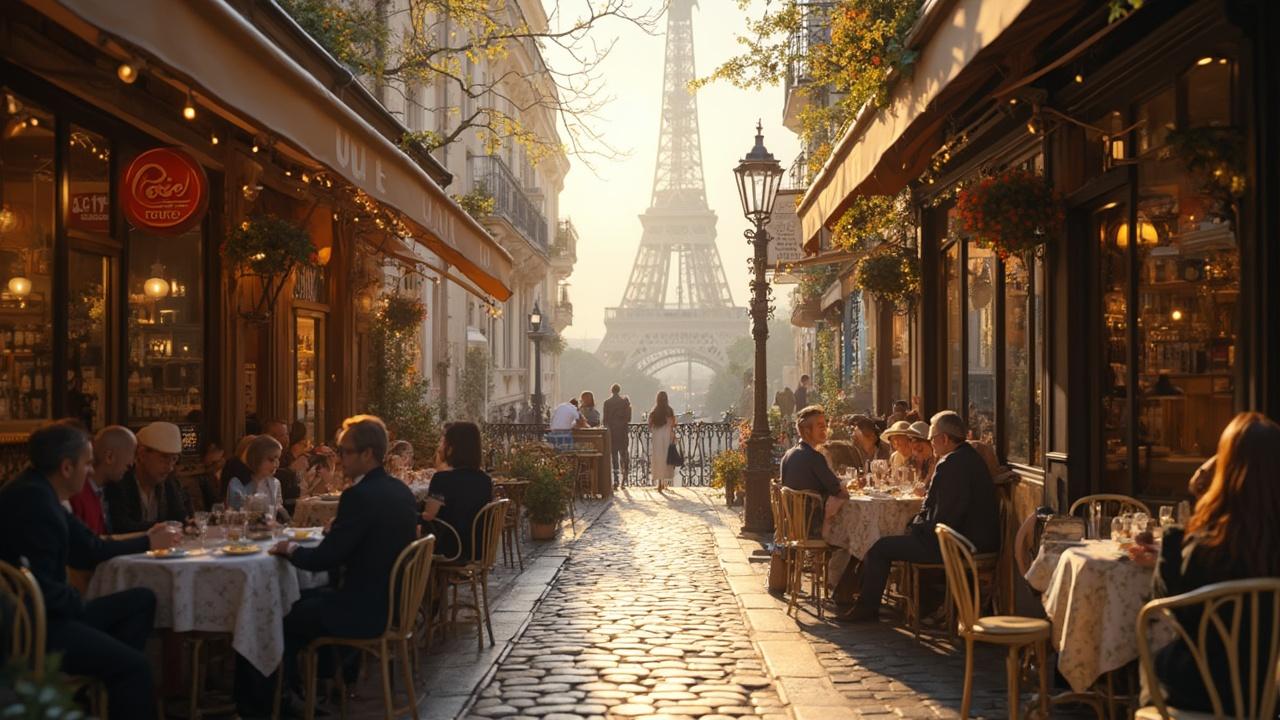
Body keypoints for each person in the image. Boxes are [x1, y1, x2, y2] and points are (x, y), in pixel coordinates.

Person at [0, 421, 180, 719]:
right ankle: (118, 674)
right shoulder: (36, 505)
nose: (89, 471)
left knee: (142, 599)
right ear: (66, 467)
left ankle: (108, 681)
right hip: (38, 629)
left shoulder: (39, 490)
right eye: (86, 464)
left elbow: (90, 547)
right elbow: (45, 591)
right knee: (137, 667)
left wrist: (148, 540)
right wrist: (78, 603)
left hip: (52, 612)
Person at [1126, 412, 1280, 714]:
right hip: (1266, 692)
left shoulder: (1208, 547)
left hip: (1201, 691)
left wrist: (1182, 527)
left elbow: (1168, 602)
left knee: (1154, 656)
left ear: (1226, 469)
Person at [269, 416, 417, 698]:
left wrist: (291, 549)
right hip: (395, 604)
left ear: (367, 454)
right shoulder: (400, 490)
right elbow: (373, 540)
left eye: (346, 452)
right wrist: (341, 531)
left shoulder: (358, 495)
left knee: (282, 610)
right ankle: (331, 682)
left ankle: (285, 698)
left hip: (363, 611)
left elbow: (325, 558)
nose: (340, 458)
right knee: (309, 597)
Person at [843, 411, 999, 622]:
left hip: (959, 545)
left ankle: (866, 609)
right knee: (894, 539)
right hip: (973, 540)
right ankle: (894, 604)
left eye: (932, 438)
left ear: (944, 439)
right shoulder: (970, 458)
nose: (931, 443)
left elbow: (943, 517)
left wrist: (915, 528)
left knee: (880, 548)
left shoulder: (950, 464)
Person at [421, 422, 494, 561]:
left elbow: (429, 515)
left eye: (443, 442)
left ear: (451, 448)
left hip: (452, 548)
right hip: (479, 548)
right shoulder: (485, 480)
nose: (439, 447)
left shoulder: (442, 479)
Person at [106, 421, 193, 534]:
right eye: (164, 458)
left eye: (174, 459)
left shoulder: (169, 482)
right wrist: (163, 527)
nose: (170, 468)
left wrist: (189, 523)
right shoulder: (120, 481)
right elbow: (122, 527)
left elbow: (180, 519)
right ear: (142, 454)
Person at [780, 405, 847, 536]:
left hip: (792, 525)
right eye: (820, 426)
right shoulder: (814, 457)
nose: (825, 429)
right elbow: (837, 490)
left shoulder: (788, 454)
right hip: (813, 526)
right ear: (807, 431)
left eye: (825, 425)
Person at [68, 425, 136, 535]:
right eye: (132, 452)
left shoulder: (108, 490)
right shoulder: (77, 493)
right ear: (109, 457)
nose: (132, 463)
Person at [226, 435, 290, 523]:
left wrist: (289, 521)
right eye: (271, 460)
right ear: (256, 459)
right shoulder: (237, 484)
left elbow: (278, 507)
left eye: (278, 459)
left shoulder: (275, 483)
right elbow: (234, 514)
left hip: (270, 530)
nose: (276, 464)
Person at [265, 419, 302, 514]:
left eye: (287, 435)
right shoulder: (264, 458)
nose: (286, 439)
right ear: (270, 437)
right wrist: (291, 470)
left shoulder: (288, 456)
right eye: (282, 435)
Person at [602, 384, 633, 489]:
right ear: (619, 390)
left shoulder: (607, 403)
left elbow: (605, 420)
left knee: (614, 456)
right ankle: (625, 477)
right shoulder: (625, 402)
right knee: (624, 454)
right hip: (623, 432)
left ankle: (616, 479)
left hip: (612, 433)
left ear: (611, 390)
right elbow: (629, 418)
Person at [648, 391, 678, 492]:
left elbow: (649, 425)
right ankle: (664, 482)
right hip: (667, 437)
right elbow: (673, 424)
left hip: (657, 437)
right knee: (667, 459)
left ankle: (659, 483)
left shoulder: (654, 411)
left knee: (658, 459)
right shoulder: (670, 410)